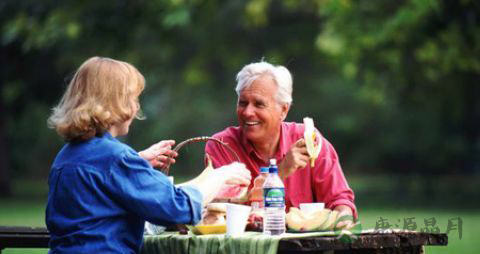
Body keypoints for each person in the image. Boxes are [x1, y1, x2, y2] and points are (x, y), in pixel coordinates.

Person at [46, 56, 251, 253]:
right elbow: (179, 207)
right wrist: (221, 174)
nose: (137, 107)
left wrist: (137, 161)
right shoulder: (116, 159)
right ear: (116, 102)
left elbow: (99, 193)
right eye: (133, 98)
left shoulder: (66, 157)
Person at [205, 61, 357, 224]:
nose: (248, 112)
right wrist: (281, 172)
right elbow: (223, 211)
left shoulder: (308, 141)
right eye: (243, 103)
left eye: (259, 104)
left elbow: (341, 201)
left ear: (284, 110)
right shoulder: (221, 145)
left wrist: (342, 220)